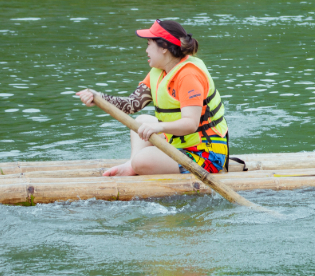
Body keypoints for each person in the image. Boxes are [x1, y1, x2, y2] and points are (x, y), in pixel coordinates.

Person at [76, 19, 230, 176]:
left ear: (164, 47)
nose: (146, 50)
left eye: (149, 44)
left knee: (143, 159)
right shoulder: (159, 71)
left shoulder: (188, 75)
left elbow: (191, 124)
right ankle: (132, 165)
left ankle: (137, 164)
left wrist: (159, 127)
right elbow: (132, 104)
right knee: (141, 121)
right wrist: (99, 98)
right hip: (180, 143)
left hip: (206, 154)